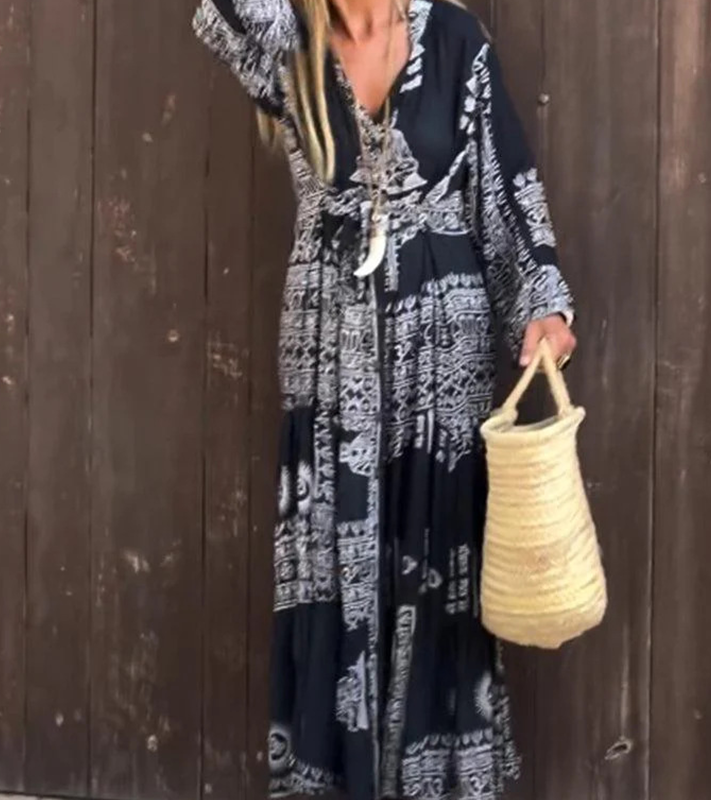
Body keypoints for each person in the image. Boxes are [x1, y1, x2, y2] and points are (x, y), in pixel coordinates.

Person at [193, 0, 576, 798]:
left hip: (444, 359)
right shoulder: (287, 44)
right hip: (326, 350)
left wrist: (542, 305)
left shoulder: (455, 40)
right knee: (328, 562)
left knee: (437, 570)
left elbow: (508, 189)